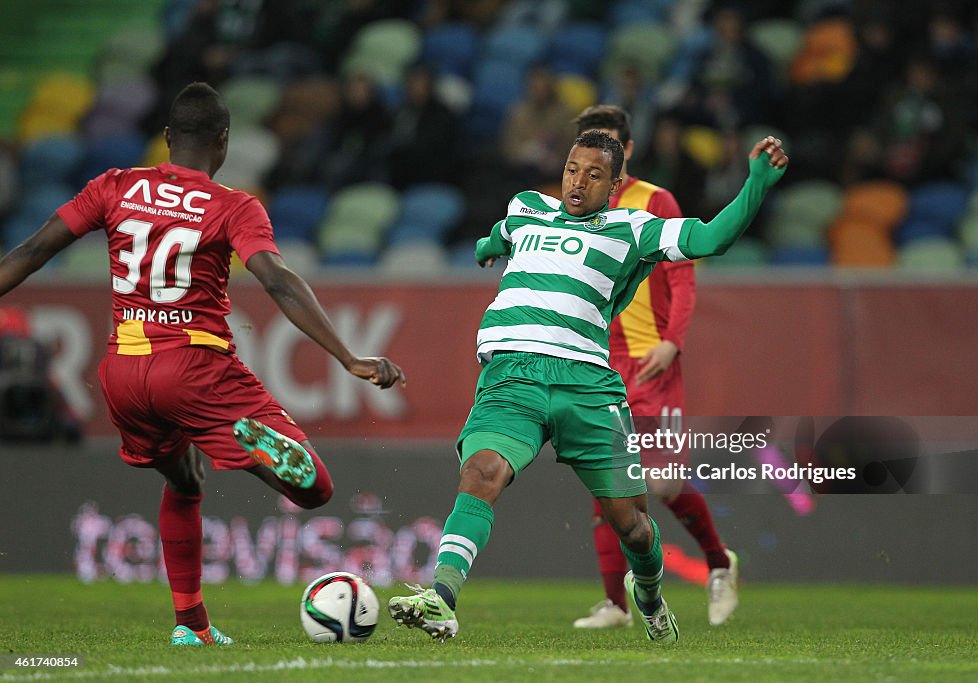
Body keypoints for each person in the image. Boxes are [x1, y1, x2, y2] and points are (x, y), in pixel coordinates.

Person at [0, 82, 405, 646]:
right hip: (195, 367)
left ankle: (191, 627)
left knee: (185, 480)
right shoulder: (232, 205)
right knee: (315, 490)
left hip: (123, 370)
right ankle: (247, 438)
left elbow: (30, 252)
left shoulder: (114, 186)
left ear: (166, 138)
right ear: (223, 142)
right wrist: (347, 356)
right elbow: (277, 280)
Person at [387, 129, 788, 643]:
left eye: (595, 174)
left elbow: (712, 238)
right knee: (482, 470)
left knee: (633, 527)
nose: (579, 182)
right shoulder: (527, 206)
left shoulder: (633, 229)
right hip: (512, 375)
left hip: (589, 388)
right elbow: (500, 233)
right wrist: (488, 246)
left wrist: (755, 183)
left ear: (615, 182)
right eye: (573, 170)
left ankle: (648, 594)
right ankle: (440, 597)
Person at [569, 105, 738, 630]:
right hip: (600, 363)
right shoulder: (573, 210)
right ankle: (615, 605)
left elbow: (683, 275)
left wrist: (672, 342)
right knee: (607, 483)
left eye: (611, 148)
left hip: (649, 360)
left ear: (629, 151)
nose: (597, 163)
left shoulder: (653, 200)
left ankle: (717, 560)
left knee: (661, 481)